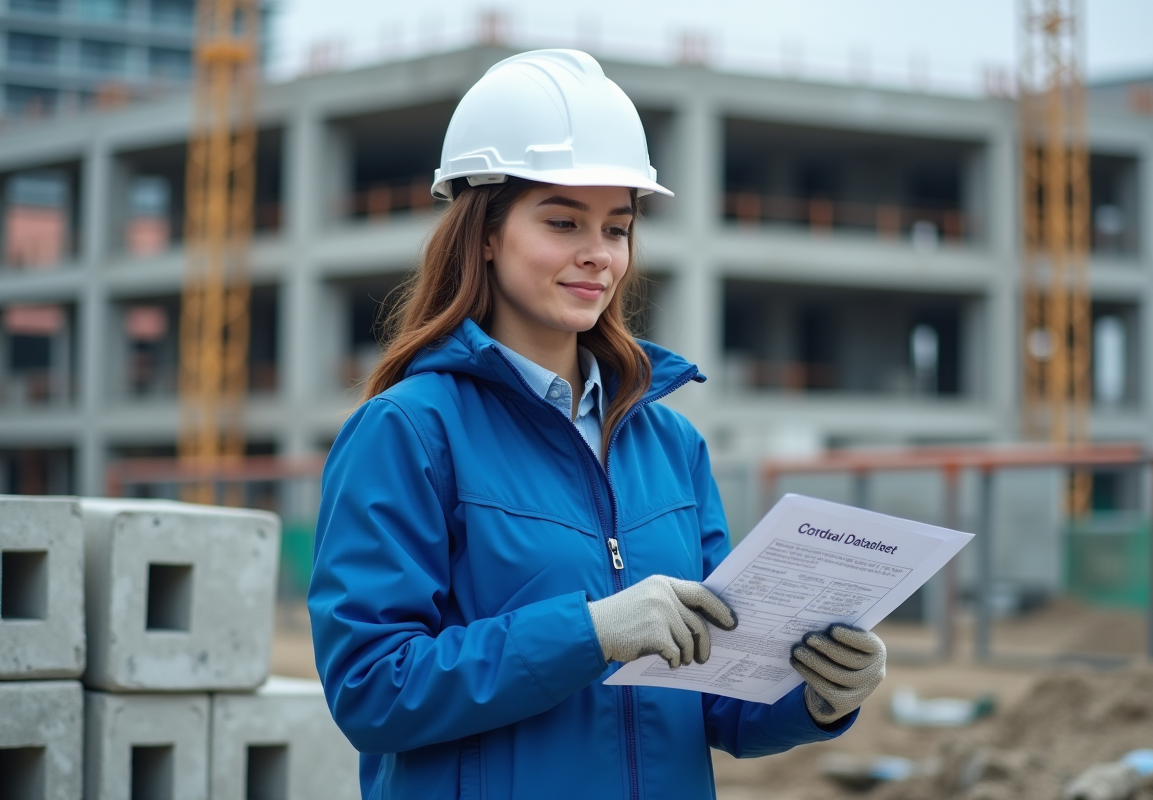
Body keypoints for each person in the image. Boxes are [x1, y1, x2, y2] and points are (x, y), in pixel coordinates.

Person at [308, 49, 887, 800]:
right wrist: (592, 633)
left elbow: (717, 701)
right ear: (484, 232)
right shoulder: (409, 433)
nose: (597, 256)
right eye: (562, 221)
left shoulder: (670, 445)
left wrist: (820, 695)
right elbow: (371, 691)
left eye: (616, 228)